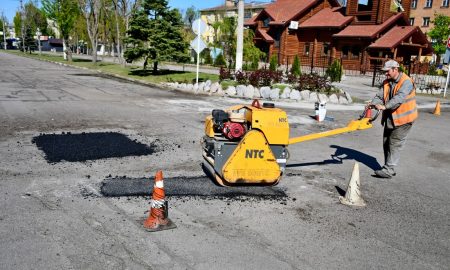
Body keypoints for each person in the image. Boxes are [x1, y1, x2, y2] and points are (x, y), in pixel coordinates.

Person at [368, 60, 418, 178]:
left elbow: (399, 98)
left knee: (394, 143)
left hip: (404, 119)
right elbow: (379, 96)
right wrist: (374, 103)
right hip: (390, 119)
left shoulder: (406, 82)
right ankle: (389, 167)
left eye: (388, 71)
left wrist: (384, 106)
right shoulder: (387, 82)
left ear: (395, 69)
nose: (386, 74)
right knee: (386, 143)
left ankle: (389, 169)